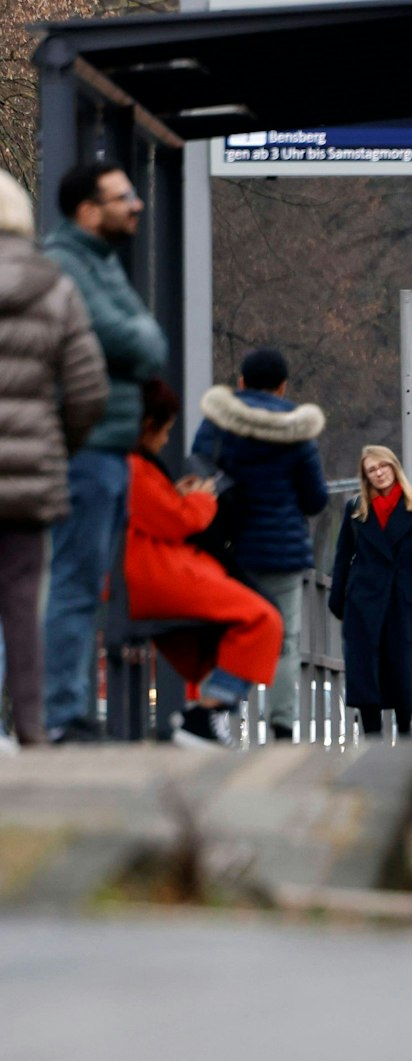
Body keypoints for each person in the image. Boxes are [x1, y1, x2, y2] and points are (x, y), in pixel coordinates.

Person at [41, 160, 168, 743]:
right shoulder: (68, 263)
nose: (137, 205)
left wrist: (141, 344)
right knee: (68, 583)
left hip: (107, 451)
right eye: (123, 197)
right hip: (85, 448)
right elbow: (128, 337)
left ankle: (56, 709)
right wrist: (140, 345)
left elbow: (147, 341)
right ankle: (57, 713)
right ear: (89, 210)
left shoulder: (100, 262)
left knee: (78, 584)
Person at [0, 169, 107, 748]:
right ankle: (32, 728)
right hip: (28, 475)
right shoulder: (54, 285)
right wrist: (55, 444)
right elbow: (89, 389)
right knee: (22, 600)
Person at [126, 380, 282, 747]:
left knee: (247, 622)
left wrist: (179, 496)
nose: (166, 440)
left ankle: (206, 713)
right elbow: (177, 520)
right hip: (155, 571)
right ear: (148, 426)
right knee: (263, 619)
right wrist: (202, 499)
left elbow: (158, 512)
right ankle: (206, 713)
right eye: (163, 431)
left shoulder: (130, 464)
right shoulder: (134, 466)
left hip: (151, 567)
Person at [190, 348, 328, 742]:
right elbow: (315, 498)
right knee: (285, 641)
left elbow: (198, 467)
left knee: (235, 631)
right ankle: (282, 727)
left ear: (241, 382)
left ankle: (212, 713)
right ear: (283, 386)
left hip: (230, 548)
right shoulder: (297, 431)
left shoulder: (218, 423)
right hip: (283, 552)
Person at [329, 446, 412, 738]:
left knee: (404, 677)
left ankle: (404, 734)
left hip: (404, 606)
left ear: (394, 467)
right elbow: (342, 558)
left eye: (383, 467)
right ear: (365, 476)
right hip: (363, 606)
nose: (379, 474)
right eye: (372, 470)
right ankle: (372, 743)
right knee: (365, 677)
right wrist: (338, 603)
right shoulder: (355, 509)